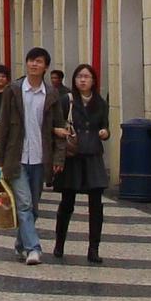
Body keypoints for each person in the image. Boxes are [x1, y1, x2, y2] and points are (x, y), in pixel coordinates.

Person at [0, 49, 56, 265]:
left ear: (45, 67)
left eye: (39, 61)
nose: (34, 64)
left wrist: (58, 159)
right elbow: (4, 126)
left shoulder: (51, 94)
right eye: (31, 60)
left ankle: (20, 244)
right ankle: (33, 248)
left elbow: (57, 127)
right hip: (16, 157)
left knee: (33, 208)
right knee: (25, 204)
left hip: (40, 158)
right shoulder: (14, 90)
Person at [48, 63, 110, 263]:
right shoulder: (67, 101)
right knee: (67, 202)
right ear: (74, 80)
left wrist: (105, 132)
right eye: (79, 76)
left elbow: (105, 125)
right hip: (72, 156)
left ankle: (94, 249)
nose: (83, 80)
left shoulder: (100, 103)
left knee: (96, 205)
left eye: (87, 77)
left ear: (93, 80)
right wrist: (58, 133)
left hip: (92, 155)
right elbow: (55, 123)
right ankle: (59, 244)